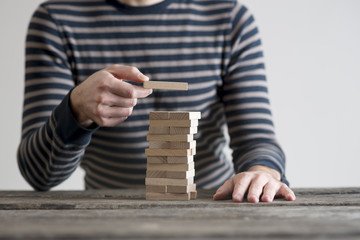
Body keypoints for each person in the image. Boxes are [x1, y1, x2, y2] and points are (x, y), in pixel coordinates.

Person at [18, 0, 296, 203]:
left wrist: (260, 172)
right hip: (105, 212)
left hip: (211, 206)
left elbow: (256, 138)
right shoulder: (55, 19)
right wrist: (75, 109)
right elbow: (38, 174)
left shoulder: (229, 18)